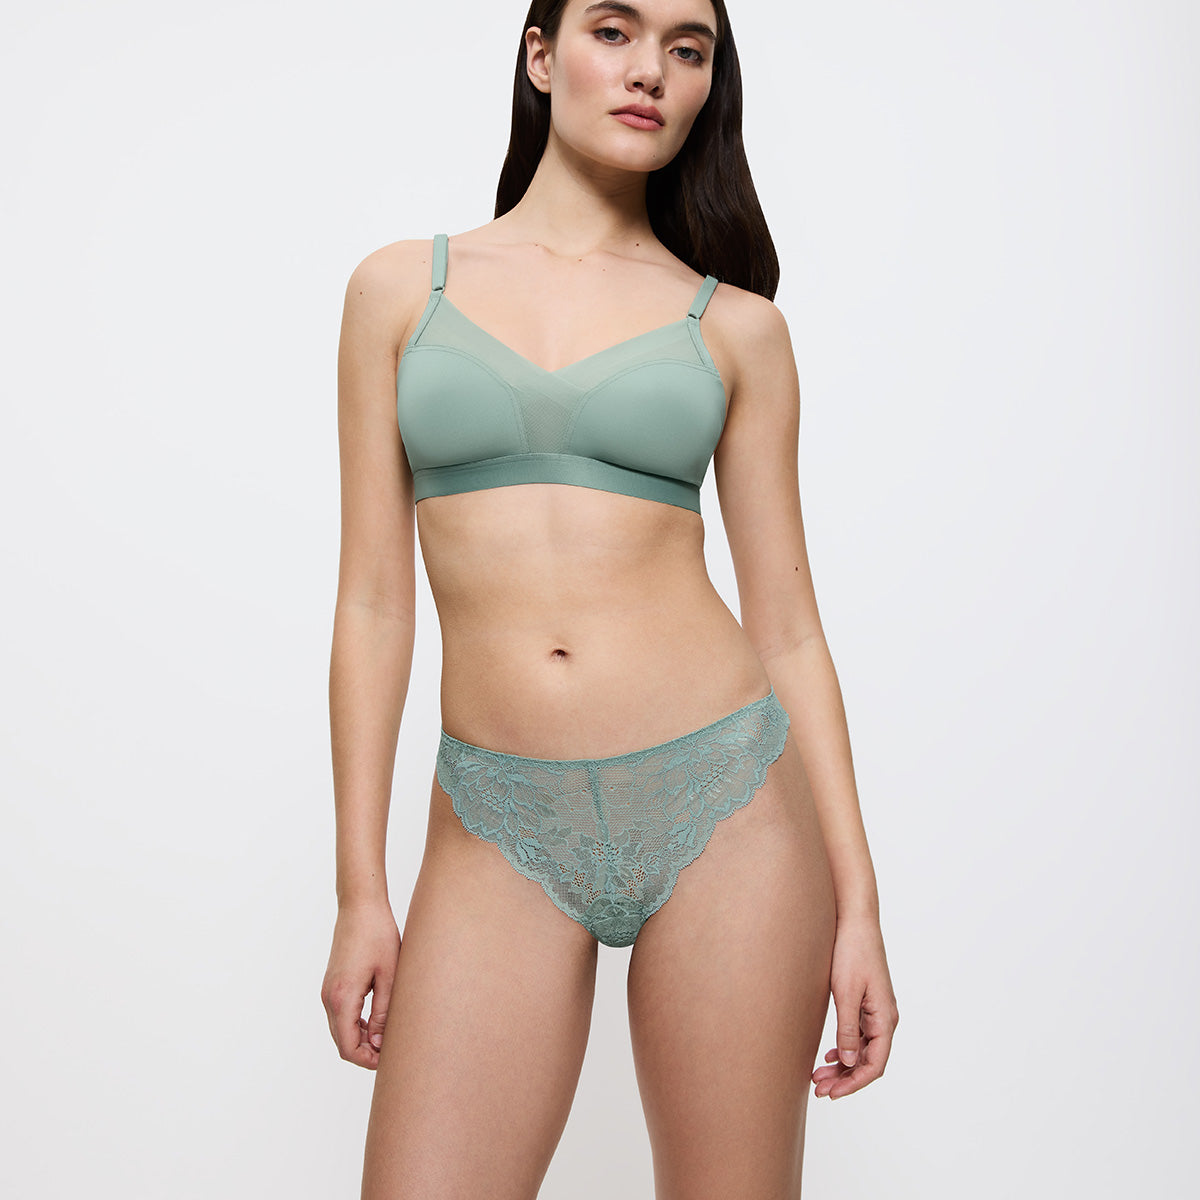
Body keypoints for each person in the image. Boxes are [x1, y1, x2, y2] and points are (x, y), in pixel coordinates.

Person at [321, 1, 899, 1195]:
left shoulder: (735, 328)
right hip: (496, 818)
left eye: (688, 50)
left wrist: (859, 909)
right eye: (615, 32)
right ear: (540, 56)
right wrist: (360, 889)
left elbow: (789, 629)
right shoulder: (400, 290)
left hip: (726, 802)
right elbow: (374, 605)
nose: (651, 72)